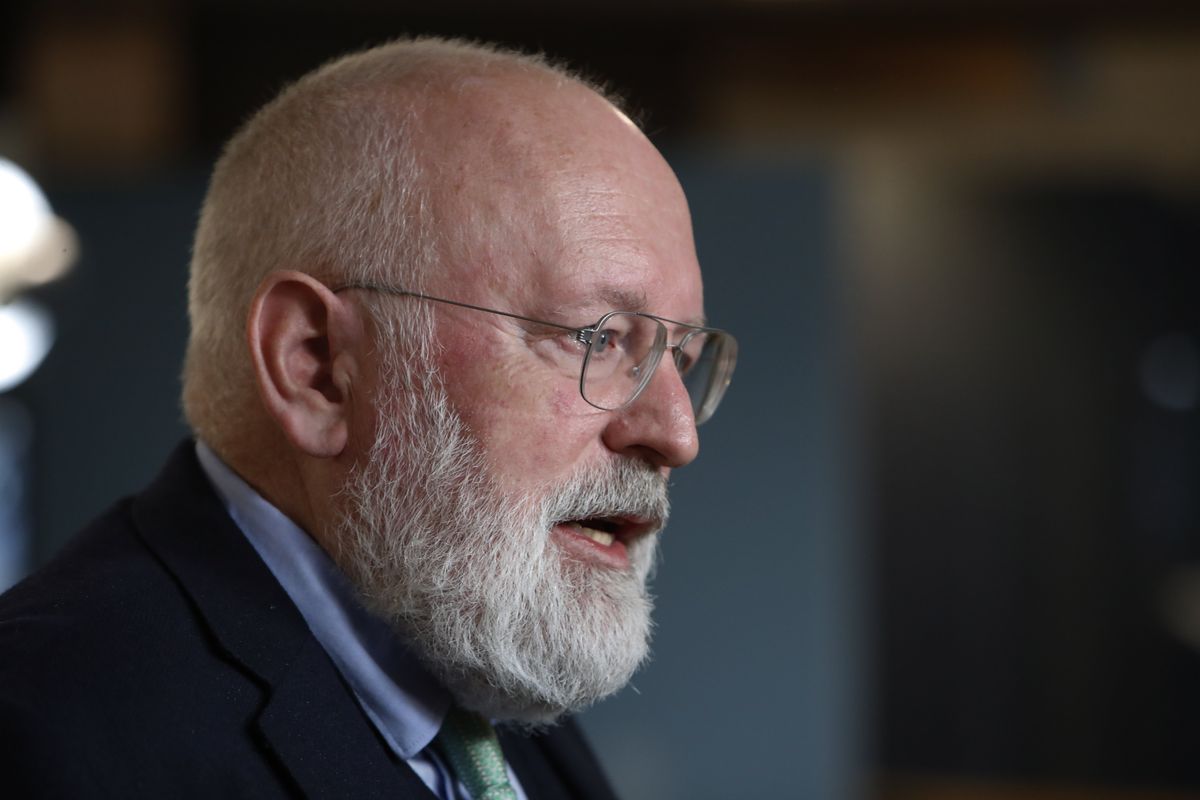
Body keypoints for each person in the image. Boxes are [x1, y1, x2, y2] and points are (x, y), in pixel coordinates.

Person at [0, 37, 736, 799]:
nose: (677, 435)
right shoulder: (49, 741)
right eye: (598, 339)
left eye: (680, 358)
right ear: (317, 366)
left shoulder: (482, 695)